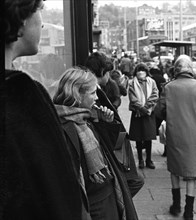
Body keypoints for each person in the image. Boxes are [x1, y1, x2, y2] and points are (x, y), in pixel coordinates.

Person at [3, 0, 85, 219]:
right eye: (39, 10)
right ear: (19, 19)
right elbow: (57, 193)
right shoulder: (20, 94)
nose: (42, 23)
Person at [53, 67, 138, 220]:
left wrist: (110, 124)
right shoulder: (63, 127)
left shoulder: (90, 118)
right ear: (77, 95)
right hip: (92, 204)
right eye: (92, 93)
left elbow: (121, 153)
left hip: (110, 195)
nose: (97, 98)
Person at [155, 55, 196, 220]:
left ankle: (176, 204)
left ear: (176, 69)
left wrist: (171, 117)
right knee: (192, 172)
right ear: (190, 68)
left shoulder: (169, 87)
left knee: (175, 168)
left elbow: (159, 111)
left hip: (175, 133)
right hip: (195, 134)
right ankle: (189, 210)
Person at [84, 52, 144, 198]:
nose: (109, 76)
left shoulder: (99, 89)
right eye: (108, 72)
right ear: (102, 72)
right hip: (112, 143)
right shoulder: (92, 92)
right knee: (133, 181)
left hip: (116, 141)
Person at [128, 63, 159, 169]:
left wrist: (146, 107)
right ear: (135, 72)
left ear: (147, 72)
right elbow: (132, 97)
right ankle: (140, 160)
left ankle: (149, 159)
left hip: (148, 113)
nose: (141, 72)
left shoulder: (152, 82)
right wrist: (141, 108)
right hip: (138, 113)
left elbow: (155, 94)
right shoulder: (132, 83)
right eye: (139, 70)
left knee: (148, 137)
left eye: (143, 70)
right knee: (138, 137)